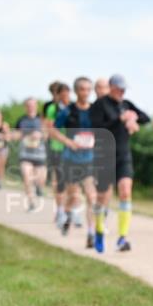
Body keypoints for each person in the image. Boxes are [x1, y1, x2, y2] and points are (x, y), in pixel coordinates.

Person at [89, 74, 150, 252]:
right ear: (111, 87)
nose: (122, 92)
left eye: (124, 89)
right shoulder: (100, 105)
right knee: (103, 197)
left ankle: (122, 238)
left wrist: (133, 117)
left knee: (125, 191)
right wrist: (119, 120)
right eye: (119, 88)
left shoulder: (126, 104)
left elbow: (146, 118)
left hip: (123, 155)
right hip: (104, 155)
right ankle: (99, 230)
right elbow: (98, 128)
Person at [52, 77, 98, 247]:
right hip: (70, 159)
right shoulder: (68, 111)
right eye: (82, 89)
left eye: (88, 89)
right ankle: (67, 214)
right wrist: (68, 142)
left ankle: (91, 233)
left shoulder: (95, 111)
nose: (85, 93)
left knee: (92, 197)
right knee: (74, 196)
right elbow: (53, 130)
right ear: (77, 91)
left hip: (89, 160)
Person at [43, 81, 73, 227]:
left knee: (72, 181)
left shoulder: (73, 108)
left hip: (72, 148)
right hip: (56, 147)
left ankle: (69, 210)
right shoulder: (51, 108)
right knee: (60, 180)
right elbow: (49, 128)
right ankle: (60, 210)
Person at [13, 98, 48, 211]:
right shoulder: (21, 120)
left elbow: (48, 134)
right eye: (28, 105)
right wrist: (19, 135)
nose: (31, 107)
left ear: (36, 106)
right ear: (25, 106)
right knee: (27, 177)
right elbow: (16, 134)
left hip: (39, 155)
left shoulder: (42, 120)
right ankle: (31, 202)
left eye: (33, 105)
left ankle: (39, 188)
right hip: (25, 154)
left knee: (40, 180)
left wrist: (40, 135)